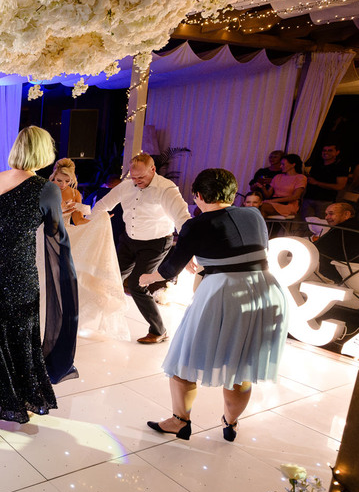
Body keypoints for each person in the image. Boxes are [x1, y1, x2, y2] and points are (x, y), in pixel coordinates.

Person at [138, 168, 289, 443]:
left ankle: (179, 422)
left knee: (185, 359)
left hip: (224, 293)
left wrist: (148, 277)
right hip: (265, 290)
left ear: (197, 195)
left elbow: (170, 267)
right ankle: (231, 423)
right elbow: (240, 252)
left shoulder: (197, 224)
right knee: (241, 365)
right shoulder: (254, 214)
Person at [0, 128, 78, 429]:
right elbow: (56, 235)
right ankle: (13, 397)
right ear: (43, 152)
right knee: (17, 331)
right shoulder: (46, 188)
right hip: (16, 268)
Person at [92, 153, 192, 344]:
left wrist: (188, 253)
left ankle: (159, 330)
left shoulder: (166, 189)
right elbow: (103, 205)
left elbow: (182, 219)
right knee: (112, 277)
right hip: (129, 239)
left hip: (156, 242)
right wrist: (88, 222)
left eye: (141, 177)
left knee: (138, 285)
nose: (136, 182)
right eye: (133, 177)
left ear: (153, 170)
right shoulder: (127, 185)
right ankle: (103, 320)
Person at [51, 158, 128, 340]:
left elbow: (78, 220)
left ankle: (64, 317)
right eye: (59, 180)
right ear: (53, 176)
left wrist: (99, 220)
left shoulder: (76, 194)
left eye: (67, 181)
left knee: (70, 277)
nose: (63, 184)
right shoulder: (46, 190)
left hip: (66, 236)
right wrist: (57, 210)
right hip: (47, 235)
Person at [311, 202, 359, 284]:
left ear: (346, 214)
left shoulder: (342, 229)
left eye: (331, 214)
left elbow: (316, 248)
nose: (326, 217)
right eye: (326, 214)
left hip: (343, 275)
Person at [303, 144, 349, 220]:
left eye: (330, 150)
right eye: (324, 150)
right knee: (305, 225)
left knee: (322, 225)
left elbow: (340, 186)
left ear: (337, 152)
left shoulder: (340, 166)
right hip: (308, 199)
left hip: (325, 201)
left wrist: (317, 183)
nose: (326, 152)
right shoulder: (317, 163)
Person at [259, 153, 307, 218]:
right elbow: (268, 195)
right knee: (250, 205)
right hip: (273, 202)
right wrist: (262, 187)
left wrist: (273, 201)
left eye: (283, 164)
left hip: (288, 205)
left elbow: (295, 197)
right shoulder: (278, 176)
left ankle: (257, 227)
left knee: (262, 207)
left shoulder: (300, 178)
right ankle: (255, 227)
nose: (280, 166)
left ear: (293, 165)